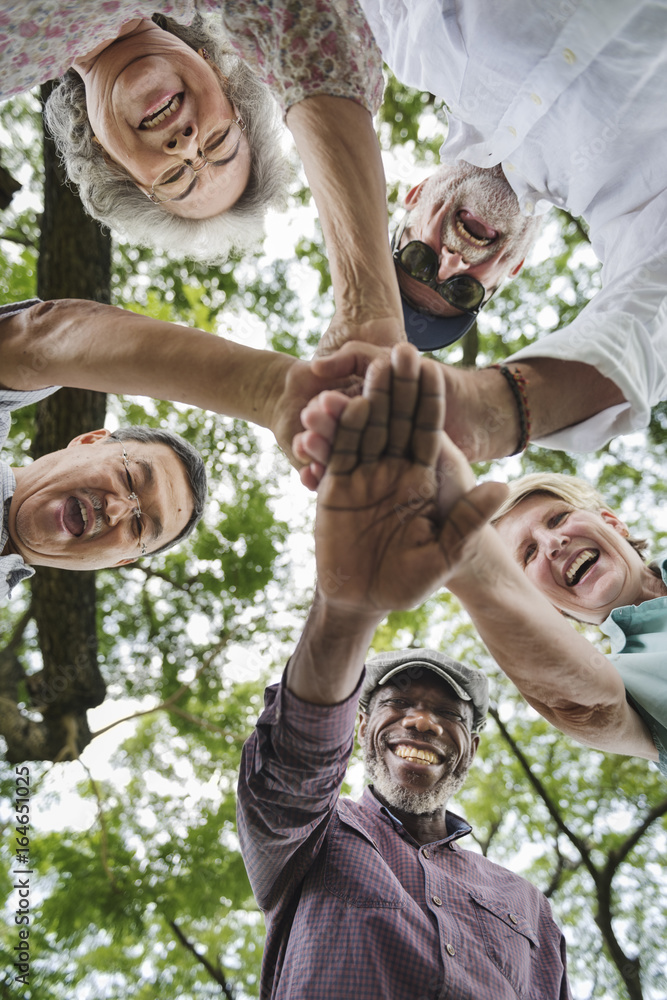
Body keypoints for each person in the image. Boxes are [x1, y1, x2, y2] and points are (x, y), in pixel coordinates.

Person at [237, 343, 571, 998]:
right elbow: (295, 764)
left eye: (447, 713)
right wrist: (346, 606)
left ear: (470, 748)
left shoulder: (526, 903)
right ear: (361, 726)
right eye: (399, 703)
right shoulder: (306, 838)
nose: (422, 719)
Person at [299, 0, 667, 468]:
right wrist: (485, 412)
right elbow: (651, 325)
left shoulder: (414, 41)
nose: (452, 262)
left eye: (418, 260)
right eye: (464, 289)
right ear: (514, 266)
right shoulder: (633, 200)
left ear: (414, 195)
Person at [298, 372, 666, 777]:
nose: (552, 543)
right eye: (527, 555)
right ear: (544, 607)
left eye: (558, 518)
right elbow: (587, 702)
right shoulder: (629, 684)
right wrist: (465, 561)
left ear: (613, 522)